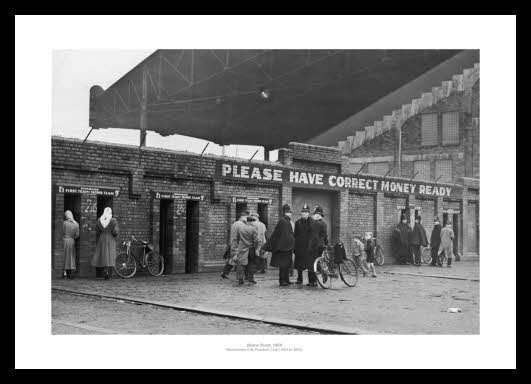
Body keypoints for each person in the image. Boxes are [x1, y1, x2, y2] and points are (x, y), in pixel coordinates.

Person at [266, 204, 295, 286]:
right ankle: (282, 281)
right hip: (283, 248)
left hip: (287, 247)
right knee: (283, 265)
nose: (290, 213)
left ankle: (287, 279)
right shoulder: (283, 221)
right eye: (288, 212)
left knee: (286, 265)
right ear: (285, 213)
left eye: (290, 212)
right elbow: (282, 235)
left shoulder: (287, 221)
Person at [230, 214, 259, 285]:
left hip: (242, 248)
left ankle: (240, 279)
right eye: (253, 221)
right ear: (251, 221)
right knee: (251, 263)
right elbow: (256, 240)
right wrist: (255, 246)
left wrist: (241, 244)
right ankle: (250, 279)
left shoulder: (241, 228)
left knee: (241, 264)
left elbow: (237, 238)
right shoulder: (253, 229)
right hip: (251, 248)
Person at [92, 207, 119, 280]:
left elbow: (97, 231)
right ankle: (107, 271)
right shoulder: (113, 220)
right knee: (109, 254)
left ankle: (105, 270)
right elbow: (115, 232)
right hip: (110, 238)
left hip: (102, 238)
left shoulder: (99, 220)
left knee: (103, 254)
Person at [221, 211, 249, 279]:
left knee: (232, 260)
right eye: (246, 217)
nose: (247, 219)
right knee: (243, 260)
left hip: (233, 244)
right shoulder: (242, 224)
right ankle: (246, 276)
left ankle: (224, 272)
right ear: (242, 217)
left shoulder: (235, 223)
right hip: (239, 245)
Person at [308, 206, 328, 286]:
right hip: (321, 246)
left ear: (318, 214)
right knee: (315, 263)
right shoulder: (324, 223)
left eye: (315, 214)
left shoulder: (316, 223)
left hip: (315, 246)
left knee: (313, 263)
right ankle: (313, 281)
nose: (313, 215)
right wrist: (326, 244)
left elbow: (314, 237)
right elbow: (325, 236)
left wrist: (311, 246)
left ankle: (322, 274)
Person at [293, 204, 313, 284]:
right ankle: (299, 279)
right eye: (303, 212)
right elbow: (295, 234)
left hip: (308, 246)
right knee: (299, 264)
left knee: (309, 264)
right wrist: (295, 246)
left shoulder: (312, 222)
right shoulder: (298, 222)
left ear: (309, 213)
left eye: (306, 212)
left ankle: (311, 281)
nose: (304, 213)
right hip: (300, 247)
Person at [62, 210, 79, 280]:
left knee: (65, 256)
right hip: (72, 241)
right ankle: (71, 271)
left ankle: (65, 272)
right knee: (71, 256)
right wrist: (72, 237)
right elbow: (77, 235)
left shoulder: (64, 223)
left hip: (65, 240)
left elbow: (61, 232)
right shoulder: (76, 224)